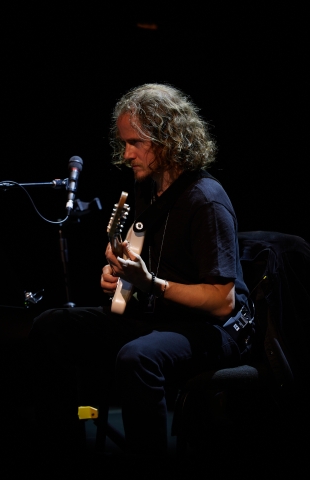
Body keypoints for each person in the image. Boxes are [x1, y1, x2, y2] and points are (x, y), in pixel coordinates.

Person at [29, 84, 252, 470]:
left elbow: (222, 302)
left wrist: (150, 284)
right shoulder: (147, 189)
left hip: (215, 330)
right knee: (52, 326)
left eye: (135, 143)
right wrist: (117, 276)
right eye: (124, 142)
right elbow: (140, 265)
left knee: (138, 357)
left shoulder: (206, 200)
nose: (126, 154)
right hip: (161, 316)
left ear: (168, 139)